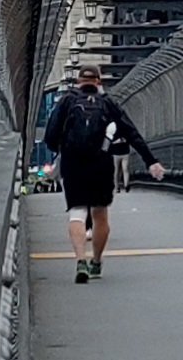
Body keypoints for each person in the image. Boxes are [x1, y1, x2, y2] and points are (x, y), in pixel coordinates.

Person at [38, 64, 162, 283]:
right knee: (100, 214)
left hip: (73, 164)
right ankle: (96, 261)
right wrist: (151, 161)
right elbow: (132, 133)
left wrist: (64, 149)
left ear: (78, 82)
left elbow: (50, 136)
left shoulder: (67, 102)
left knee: (77, 212)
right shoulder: (107, 104)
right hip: (101, 163)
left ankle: (79, 260)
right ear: (98, 82)